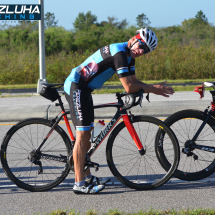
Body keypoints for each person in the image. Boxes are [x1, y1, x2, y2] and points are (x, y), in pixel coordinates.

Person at [64, 28, 175, 194]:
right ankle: (79, 184)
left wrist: (152, 87)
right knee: (82, 135)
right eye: (141, 46)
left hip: (85, 89)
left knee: (88, 134)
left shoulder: (129, 55)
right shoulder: (120, 54)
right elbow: (129, 87)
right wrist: (153, 89)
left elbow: (135, 81)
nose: (141, 52)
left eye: (145, 51)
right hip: (76, 86)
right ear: (134, 38)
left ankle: (86, 176)